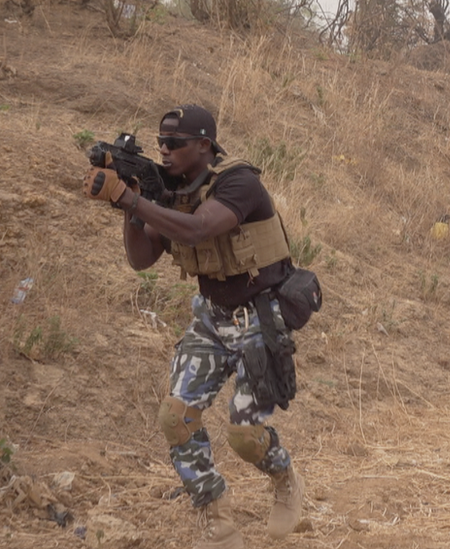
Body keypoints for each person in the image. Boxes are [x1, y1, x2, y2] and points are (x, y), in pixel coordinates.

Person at [82, 105, 303, 549]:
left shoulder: (239, 182)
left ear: (204, 145)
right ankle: (217, 521)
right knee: (176, 417)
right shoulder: (172, 191)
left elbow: (200, 229)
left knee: (244, 435)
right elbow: (142, 259)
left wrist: (131, 198)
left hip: (259, 318)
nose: (164, 151)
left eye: (174, 144)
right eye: (160, 143)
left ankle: (285, 479)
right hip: (211, 318)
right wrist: (130, 204)